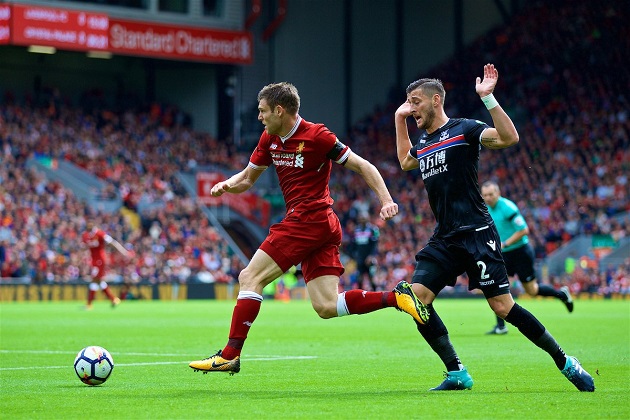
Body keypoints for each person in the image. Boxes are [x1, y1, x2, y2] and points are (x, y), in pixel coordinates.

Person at [189, 82, 428, 374]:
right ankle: (397, 297)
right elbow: (247, 178)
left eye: (263, 111)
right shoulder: (269, 138)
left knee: (249, 276)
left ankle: (229, 354)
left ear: (279, 110)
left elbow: (364, 166)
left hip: (308, 218)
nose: (260, 117)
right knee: (326, 306)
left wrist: (386, 200)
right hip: (321, 225)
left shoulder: (318, 136)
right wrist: (228, 184)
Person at [393, 64, 594, 391]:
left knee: (503, 306)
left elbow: (508, 137)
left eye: (415, 102)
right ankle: (457, 372)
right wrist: (399, 120)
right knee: (417, 299)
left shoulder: (464, 129)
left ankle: (566, 362)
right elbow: (405, 161)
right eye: (407, 102)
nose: (410, 107)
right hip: (445, 237)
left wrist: (488, 98)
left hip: (476, 234)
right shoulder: (425, 142)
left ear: (436, 100)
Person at [481, 180, 574, 335]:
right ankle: (501, 326)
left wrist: (505, 243)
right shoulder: (485, 208)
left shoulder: (508, 208)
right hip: (504, 254)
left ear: (498, 193)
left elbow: (524, 230)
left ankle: (561, 294)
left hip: (521, 252)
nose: (488, 198)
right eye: (485, 195)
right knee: (497, 287)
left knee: (532, 290)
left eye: (491, 194)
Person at [81, 221, 131, 310]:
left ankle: (89, 304)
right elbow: (84, 246)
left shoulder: (100, 234)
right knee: (98, 281)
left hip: (100, 260)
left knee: (94, 280)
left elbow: (112, 242)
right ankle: (113, 299)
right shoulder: (86, 235)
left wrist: (123, 251)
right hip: (93, 260)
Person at [348, 212, 380, 290]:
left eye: (363, 218)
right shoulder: (356, 230)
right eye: (360, 218)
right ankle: (361, 297)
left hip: (369, 258)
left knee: (371, 277)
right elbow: (353, 245)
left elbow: (375, 244)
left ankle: (375, 294)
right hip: (360, 258)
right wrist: (354, 256)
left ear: (368, 218)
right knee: (359, 278)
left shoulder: (373, 229)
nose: (362, 220)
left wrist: (371, 256)